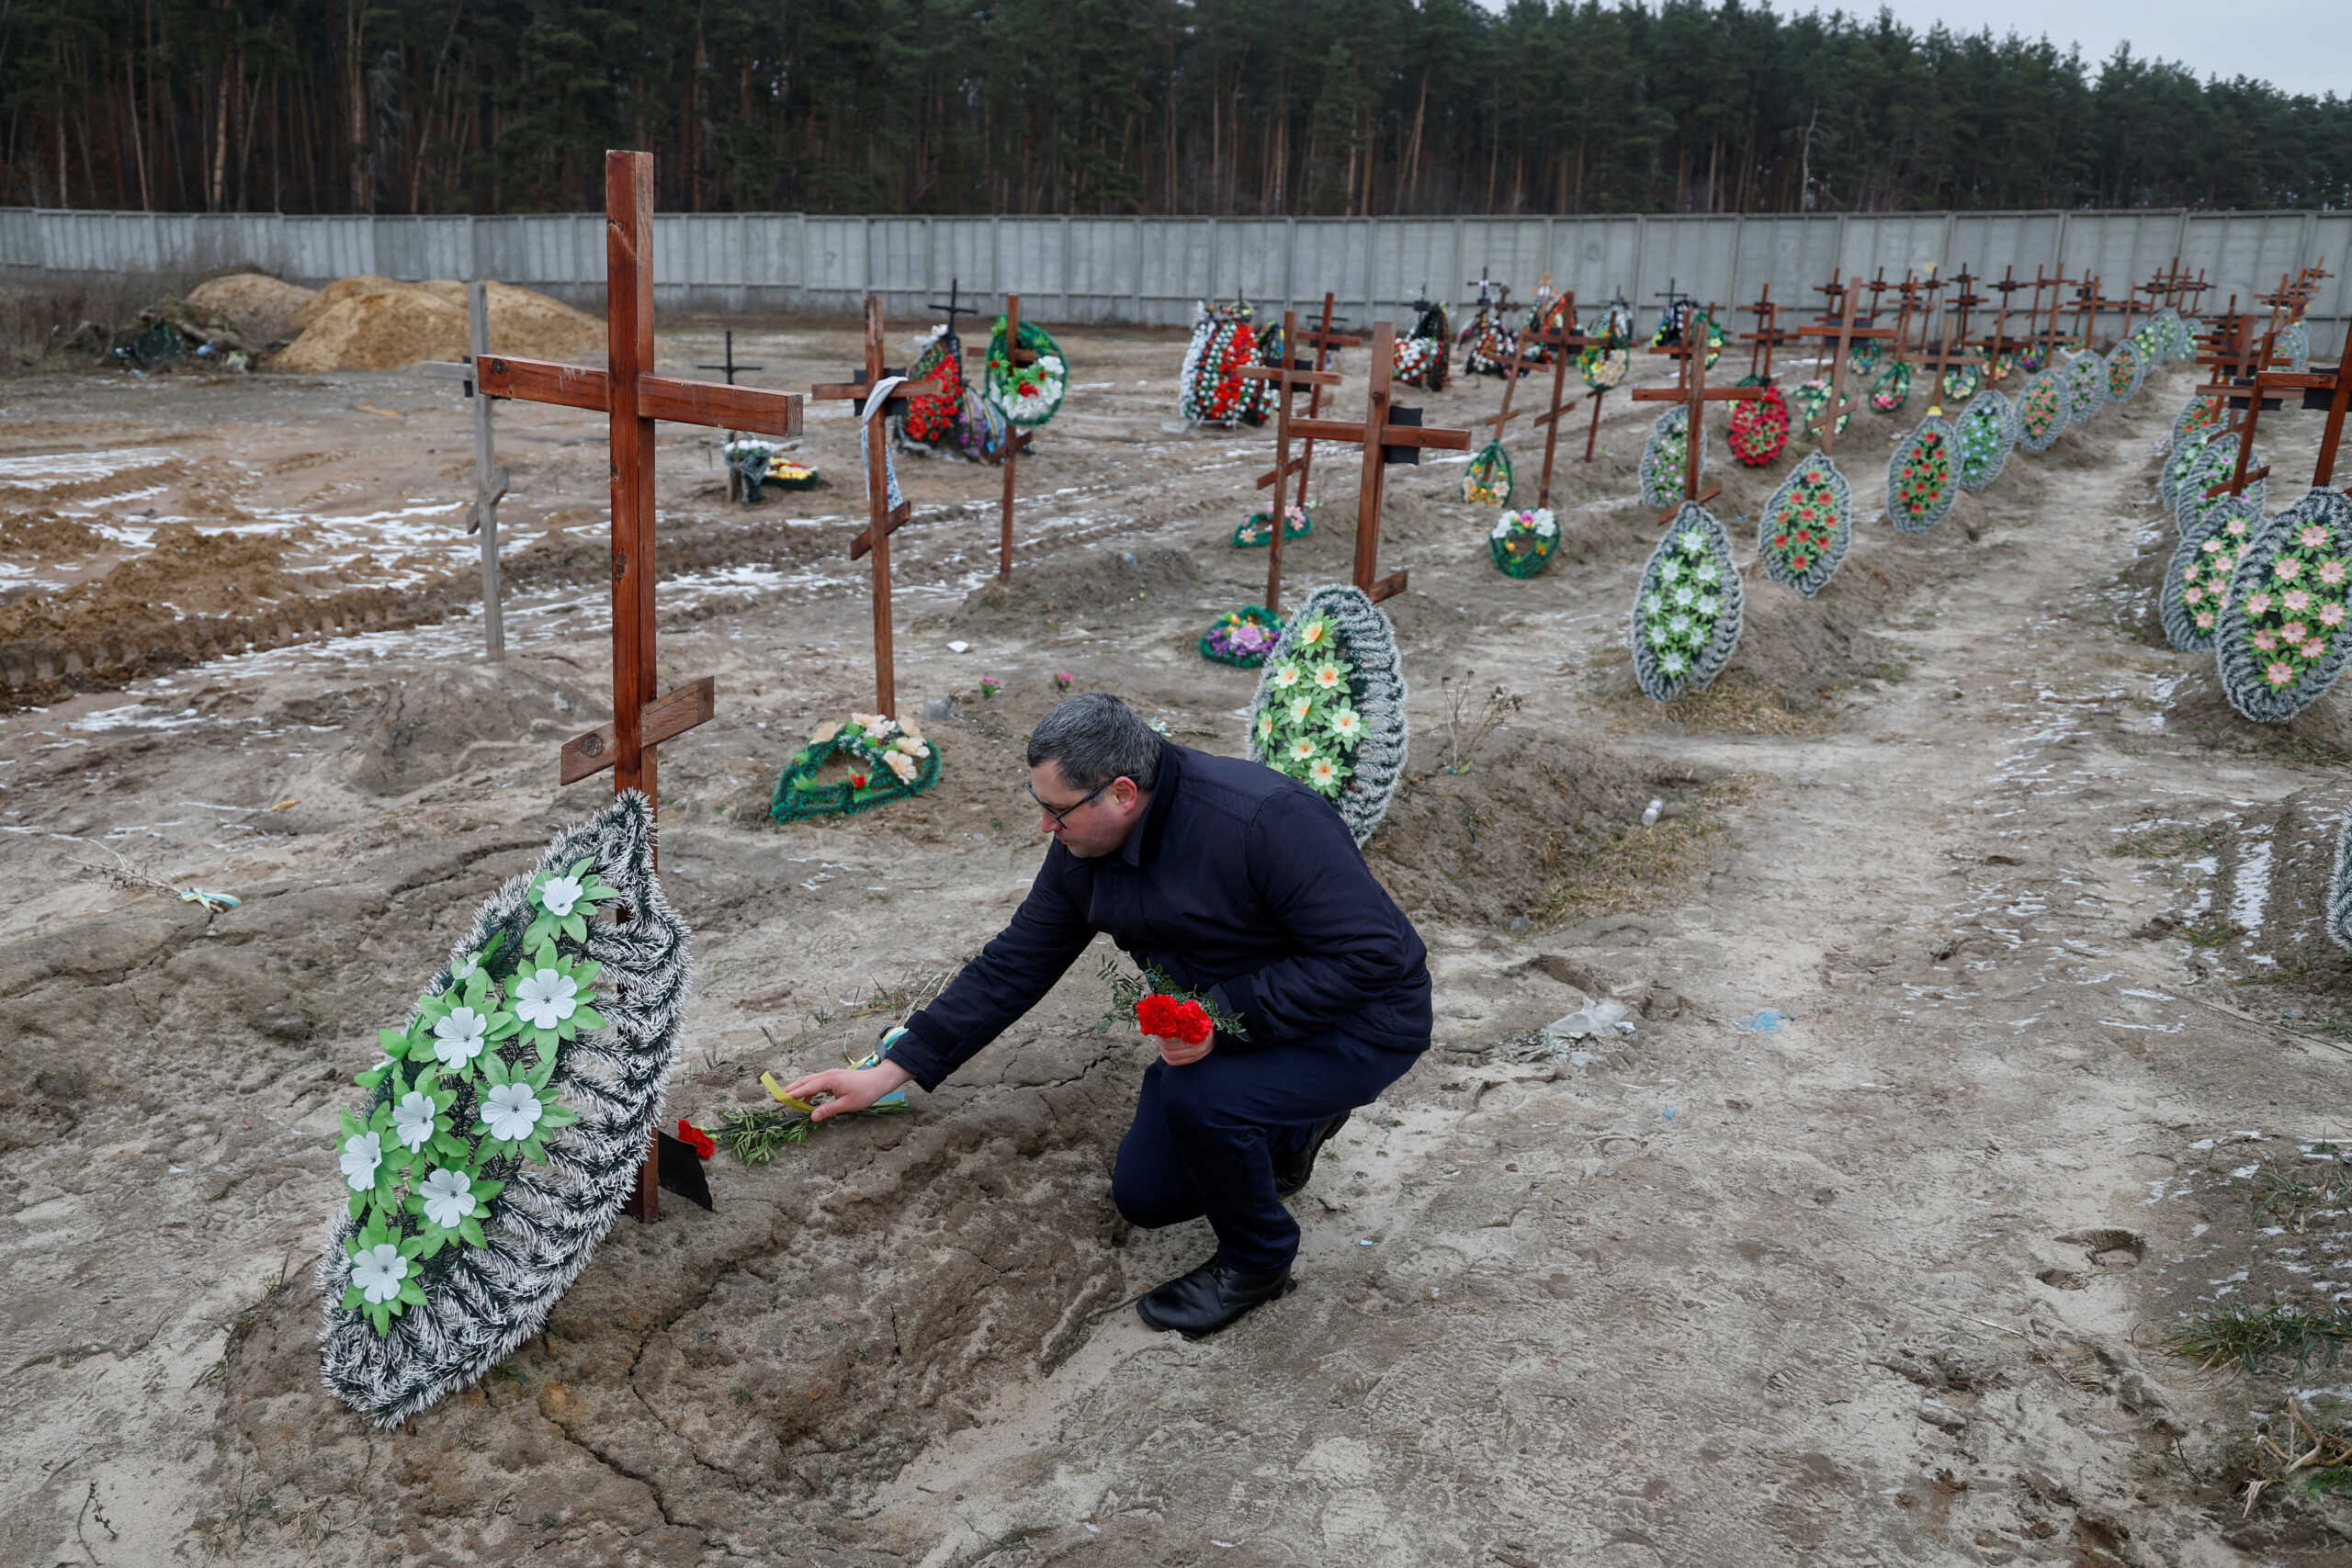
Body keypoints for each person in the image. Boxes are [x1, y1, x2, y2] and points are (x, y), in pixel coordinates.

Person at [780, 693, 1431, 1338]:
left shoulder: (1264, 819)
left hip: (1360, 1020)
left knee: (1203, 1103)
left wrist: (1217, 1016)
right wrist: (892, 1069)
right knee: (1148, 1196)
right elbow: (1016, 963)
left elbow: (1374, 956)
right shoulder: (1083, 849)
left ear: (1122, 792)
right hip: (1227, 1024)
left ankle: (1258, 1259)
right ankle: (1292, 1127)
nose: (1044, 828)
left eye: (1055, 812)